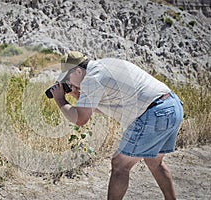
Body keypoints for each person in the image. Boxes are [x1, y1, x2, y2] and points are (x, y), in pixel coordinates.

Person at [50, 51, 184, 200]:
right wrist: (80, 98)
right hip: (172, 106)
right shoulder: (103, 66)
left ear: (78, 71)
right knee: (154, 162)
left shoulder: (91, 79)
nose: (69, 84)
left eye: (68, 78)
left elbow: (80, 120)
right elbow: (107, 106)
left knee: (120, 165)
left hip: (155, 112)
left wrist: (60, 99)